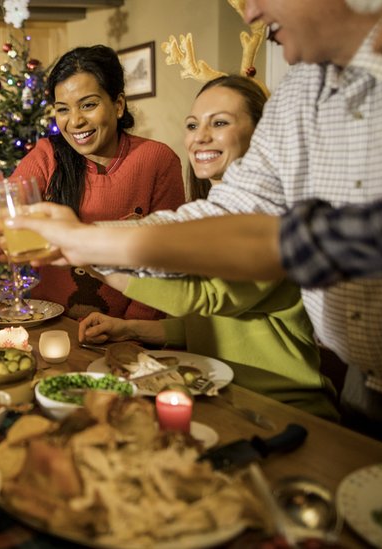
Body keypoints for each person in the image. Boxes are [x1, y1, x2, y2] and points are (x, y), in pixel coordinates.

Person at [11, 0, 382, 455]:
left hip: (293, 402)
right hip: (359, 391)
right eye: (193, 125)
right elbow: (256, 229)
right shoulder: (300, 92)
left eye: (219, 123)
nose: (250, 10)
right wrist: (94, 257)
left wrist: (87, 244)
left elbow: (249, 261)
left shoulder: (158, 160)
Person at [79, 75, 336, 418]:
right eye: (192, 124)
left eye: (219, 123)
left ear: (261, 136)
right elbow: (211, 323)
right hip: (221, 398)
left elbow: (204, 296)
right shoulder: (203, 218)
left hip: (287, 409)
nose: (200, 137)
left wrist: (91, 255)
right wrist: (128, 328)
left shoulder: (269, 220)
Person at [10, 45, 185, 320]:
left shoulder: (157, 160)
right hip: (51, 324)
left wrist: (130, 332)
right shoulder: (46, 155)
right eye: (63, 109)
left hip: (129, 334)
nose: (75, 121)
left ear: (118, 105)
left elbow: (166, 261)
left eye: (88, 105)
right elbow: (8, 207)